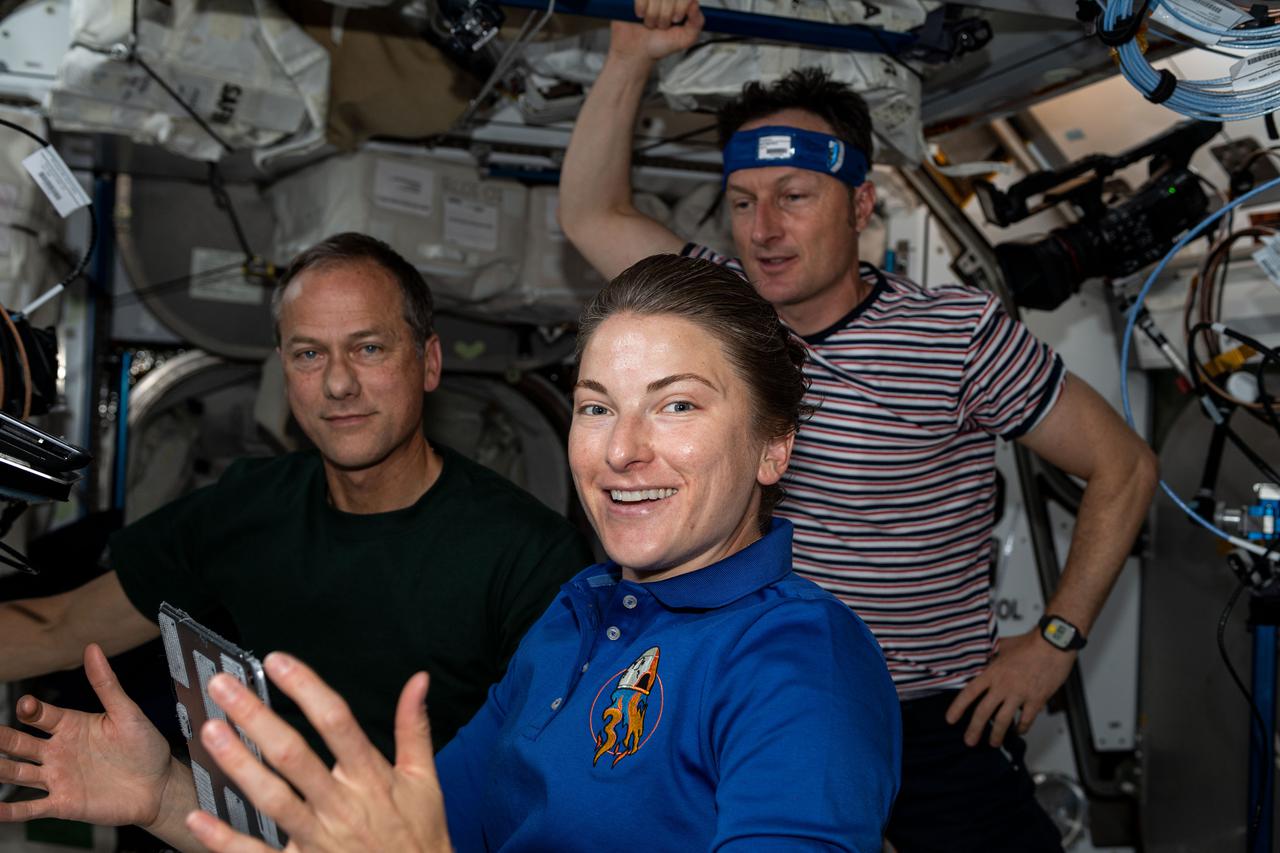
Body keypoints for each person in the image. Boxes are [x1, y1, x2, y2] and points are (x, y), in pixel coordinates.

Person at [0, 255, 902, 852]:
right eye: (595, 405)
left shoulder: (798, 662)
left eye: (676, 405)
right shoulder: (578, 618)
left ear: (773, 446)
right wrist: (163, 790)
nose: (622, 449)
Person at [556, 4, 1160, 850]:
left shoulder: (955, 333)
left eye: (794, 197)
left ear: (861, 203)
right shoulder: (715, 316)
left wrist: (1055, 640)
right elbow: (588, 213)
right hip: (749, 701)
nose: (764, 229)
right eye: (742, 201)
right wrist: (629, 54)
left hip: (930, 724)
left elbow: (1123, 466)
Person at [0, 232, 592, 757]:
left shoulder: (530, 558)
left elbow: (547, 778)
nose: (338, 383)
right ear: (284, 370)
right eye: (310, 354)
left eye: (369, 348)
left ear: (428, 362)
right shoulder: (249, 507)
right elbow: (59, 627)